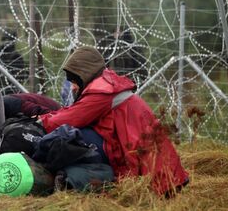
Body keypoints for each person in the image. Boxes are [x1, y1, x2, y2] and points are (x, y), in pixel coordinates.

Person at [37, 46, 189, 195]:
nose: (72, 87)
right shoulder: (107, 84)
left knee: (72, 135)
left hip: (144, 163)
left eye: (74, 80)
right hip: (151, 161)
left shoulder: (102, 92)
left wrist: (39, 122)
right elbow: (74, 112)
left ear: (84, 74)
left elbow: (70, 119)